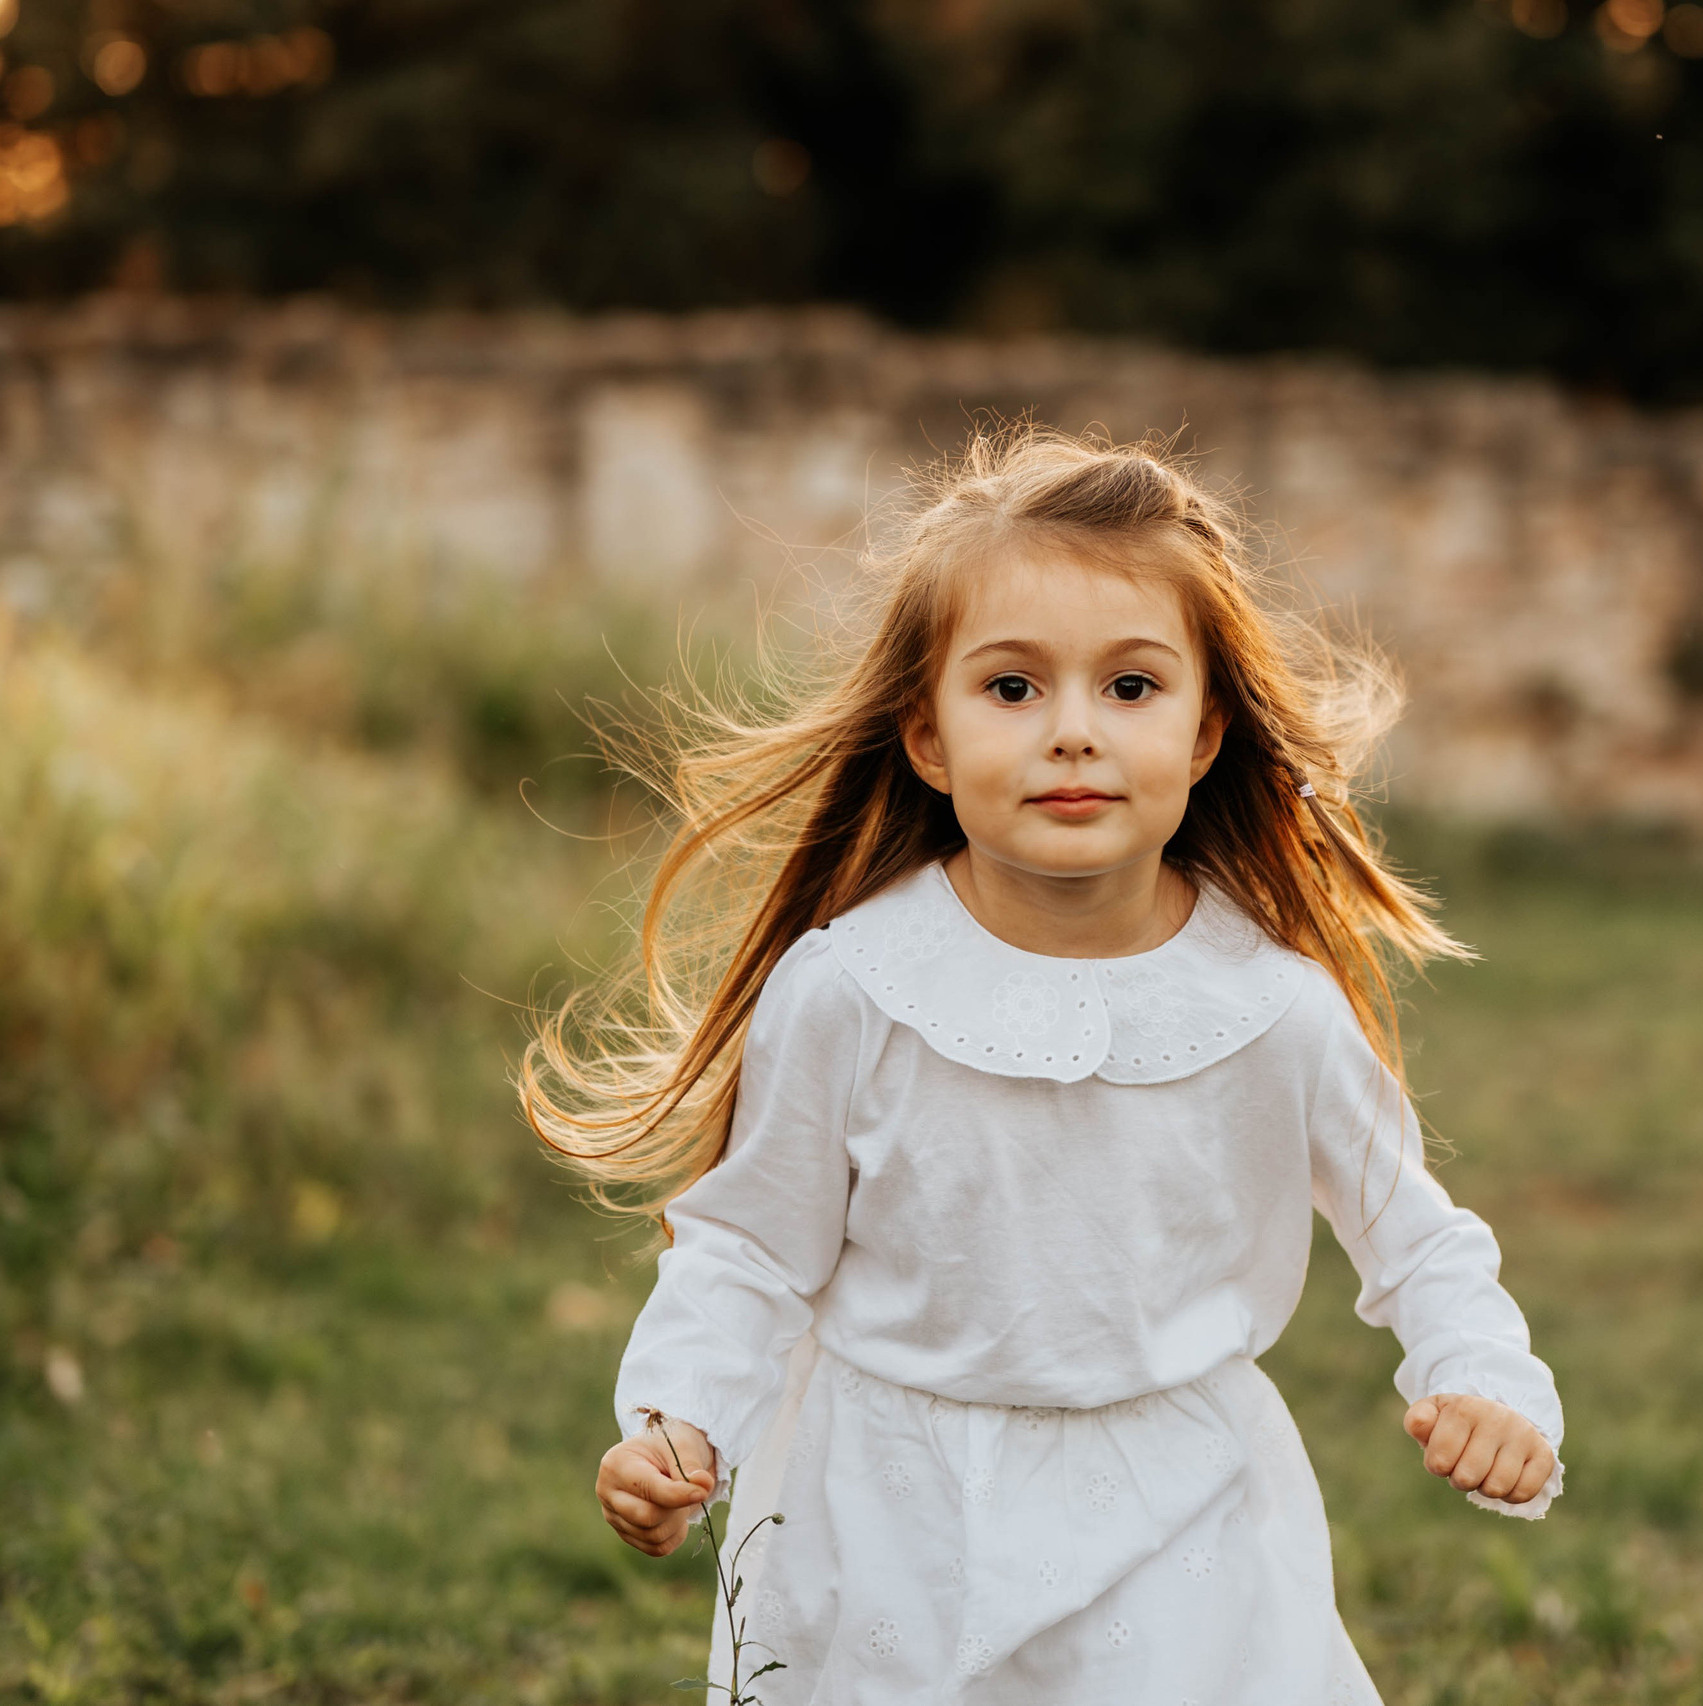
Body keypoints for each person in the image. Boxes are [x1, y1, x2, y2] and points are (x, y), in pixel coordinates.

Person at [524, 427, 1565, 1704]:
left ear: (1201, 734)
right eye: (1011, 688)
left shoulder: (1273, 1011)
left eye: (1131, 687)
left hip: (1183, 1517)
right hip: (883, 1514)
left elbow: (1418, 1238)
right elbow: (747, 1248)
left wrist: (1481, 1378)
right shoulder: (850, 988)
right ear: (928, 735)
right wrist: (680, 1422)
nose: (1073, 732)